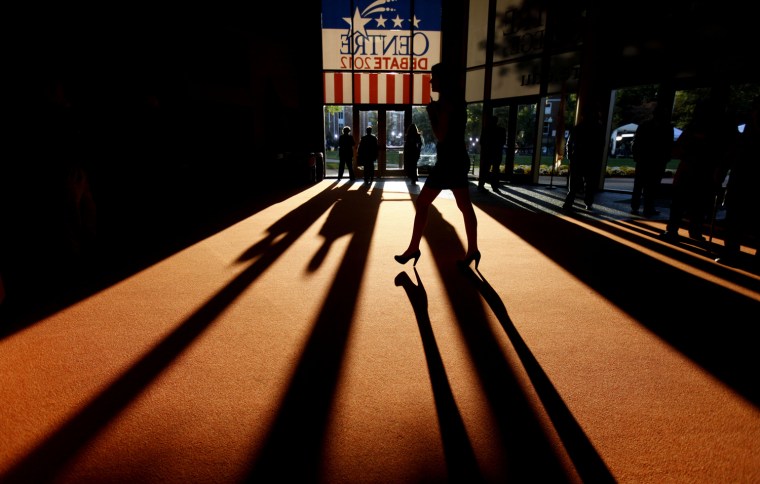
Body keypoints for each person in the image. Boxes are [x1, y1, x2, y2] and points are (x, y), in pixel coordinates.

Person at [394, 63, 480, 269]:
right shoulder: (457, 101)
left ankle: (414, 248)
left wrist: (432, 112)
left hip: (448, 161)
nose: (431, 81)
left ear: (444, 80)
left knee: (423, 203)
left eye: (434, 77)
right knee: (465, 207)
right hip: (457, 159)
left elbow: (441, 135)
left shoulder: (446, 104)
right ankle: (473, 249)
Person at [662, 98, 738, 242]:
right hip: (703, 172)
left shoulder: (693, 129)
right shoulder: (716, 131)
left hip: (691, 170)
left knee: (682, 203)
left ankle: (674, 230)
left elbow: (677, 150)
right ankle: (692, 230)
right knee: (697, 204)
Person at [715, 97, 760, 268]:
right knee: (735, 219)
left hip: (744, 181)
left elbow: (728, 157)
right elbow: (729, 157)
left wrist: (720, 174)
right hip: (741, 181)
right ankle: (731, 251)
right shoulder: (744, 137)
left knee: (739, 219)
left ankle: (732, 252)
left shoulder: (744, 136)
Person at [631, 103, 674, 217]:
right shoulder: (668, 127)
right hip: (657, 161)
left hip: (644, 160)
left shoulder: (644, 125)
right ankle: (648, 207)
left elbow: (637, 142)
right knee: (652, 186)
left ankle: (635, 206)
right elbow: (669, 145)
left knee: (639, 184)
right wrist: (666, 158)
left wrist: (637, 156)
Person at [563, 106, 606, 211]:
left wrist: (570, 156)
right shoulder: (598, 129)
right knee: (589, 183)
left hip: (577, 158)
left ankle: (569, 202)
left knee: (573, 184)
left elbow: (569, 142)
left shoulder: (578, 128)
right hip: (590, 159)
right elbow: (601, 145)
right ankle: (588, 202)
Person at [478, 113, 507, 192]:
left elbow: (481, 142)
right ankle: (494, 186)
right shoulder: (501, 130)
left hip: (487, 153)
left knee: (485, 169)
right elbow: (503, 142)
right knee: (495, 170)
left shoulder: (485, 130)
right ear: (496, 121)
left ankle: (481, 185)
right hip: (497, 153)